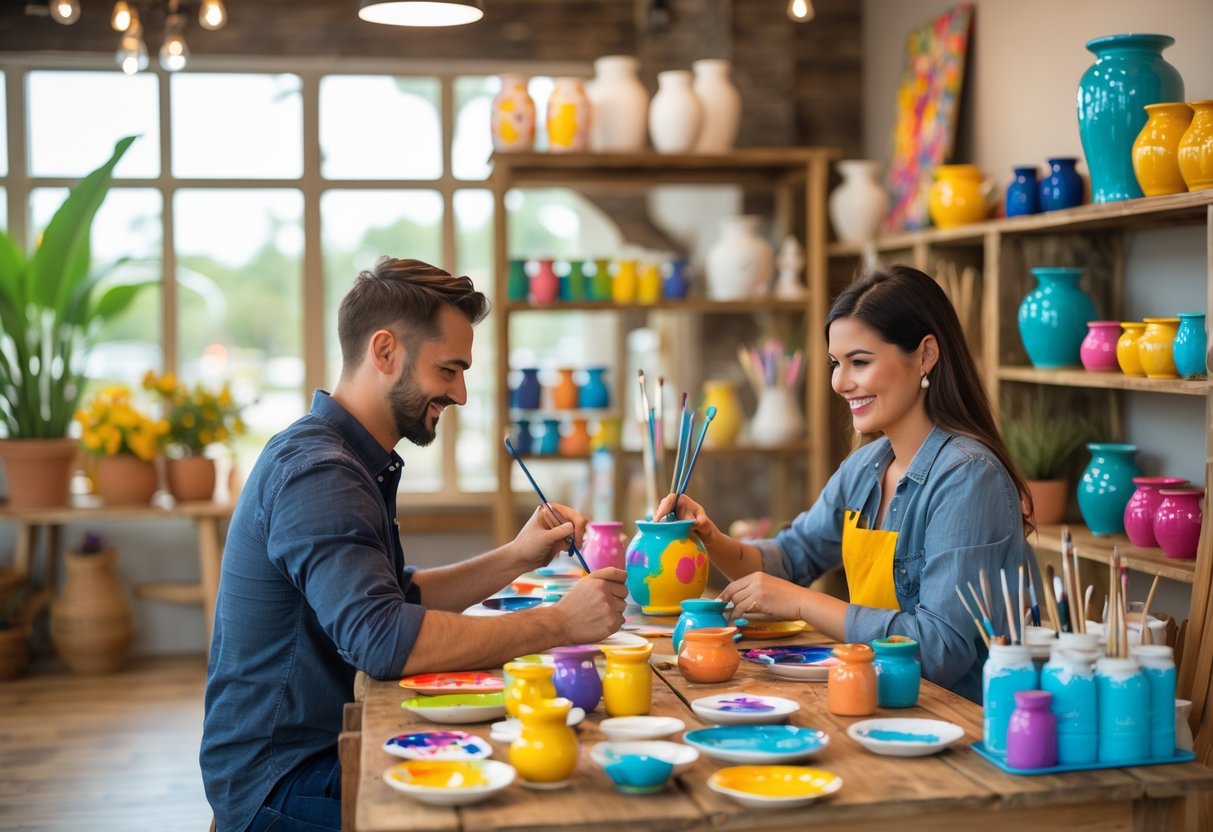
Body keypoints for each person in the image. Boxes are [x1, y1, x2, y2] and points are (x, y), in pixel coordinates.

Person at [201, 258, 628, 832]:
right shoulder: (319, 472)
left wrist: (518, 556)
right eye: (448, 370)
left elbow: (400, 599)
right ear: (384, 351)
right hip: (282, 785)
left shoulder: (349, 459)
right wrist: (558, 625)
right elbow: (383, 639)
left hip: (311, 756)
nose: (461, 393)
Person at [656, 264, 1035, 702]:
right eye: (837, 363)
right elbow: (790, 560)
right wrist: (710, 537)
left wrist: (801, 603)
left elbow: (939, 650)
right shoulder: (866, 467)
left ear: (926, 355)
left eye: (860, 362)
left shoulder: (969, 478)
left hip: (966, 722)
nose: (840, 382)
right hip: (887, 702)